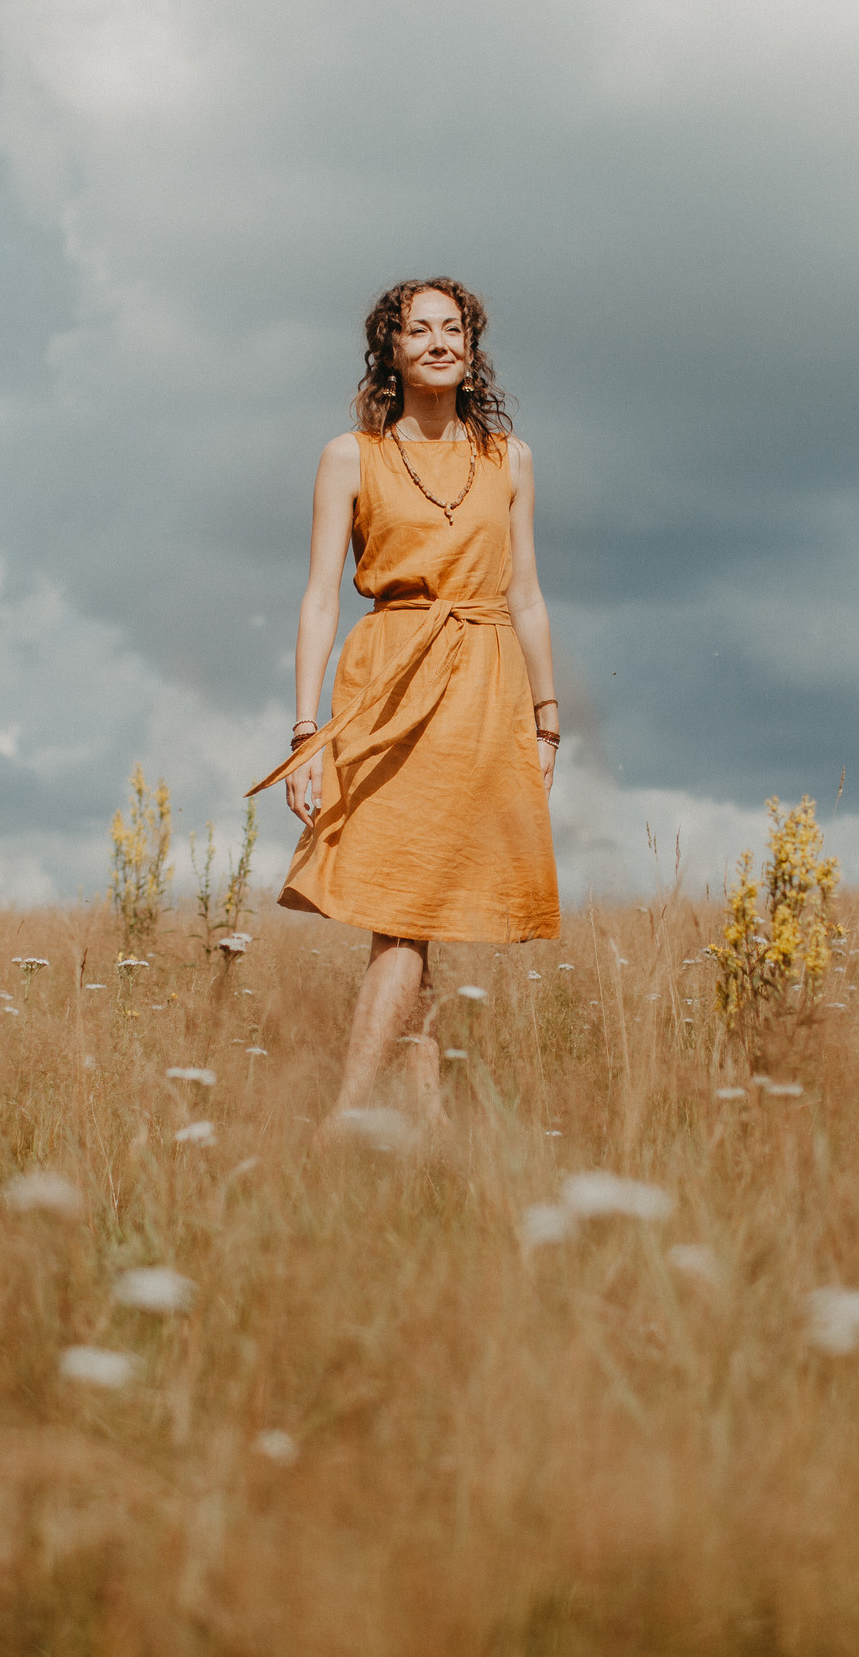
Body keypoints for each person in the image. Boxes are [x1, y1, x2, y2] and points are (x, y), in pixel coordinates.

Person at [248, 278, 562, 1137]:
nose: (436, 341)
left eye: (451, 328)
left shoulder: (512, 459)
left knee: (412, 912)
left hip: (483, 690)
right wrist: (307, 732)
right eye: (416, 329)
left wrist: (546, 716)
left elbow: (527, 593)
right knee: (404, 908)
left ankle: (400, 1136)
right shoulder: (350, 455)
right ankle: (361, 1127)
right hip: (387, 685)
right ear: (390, 349)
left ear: (472, 346)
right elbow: (319, 598)